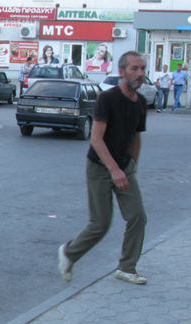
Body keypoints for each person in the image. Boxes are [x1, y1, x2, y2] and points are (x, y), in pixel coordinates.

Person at [58, 51, 148, 285]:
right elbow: (96, 139)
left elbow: (136, 137)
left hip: (124, 166)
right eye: (134, 69)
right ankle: (69, 253)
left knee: (137, 216)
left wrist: (131, 167)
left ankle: (127, 267)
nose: (140, 74)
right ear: (122, 71)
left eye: (142, 69)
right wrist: (114, 170)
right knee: (100, 224)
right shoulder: (108, 99)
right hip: (99, 167)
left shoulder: (141, 103)